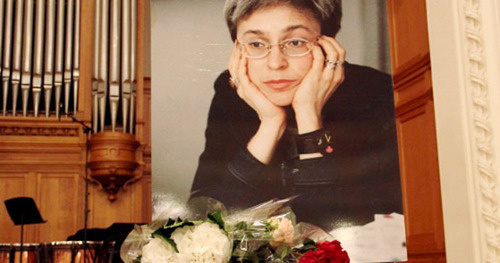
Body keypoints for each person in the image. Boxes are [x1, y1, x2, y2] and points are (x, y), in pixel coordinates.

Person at [190, 0, 402, 231]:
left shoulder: (377, 93)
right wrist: (270, 124)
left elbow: (344, 233)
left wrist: (309, 116)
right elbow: (208, 220)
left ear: (328, 45)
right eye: (256, 44)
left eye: (295, 42)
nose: (275, 63)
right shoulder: (232, 92)